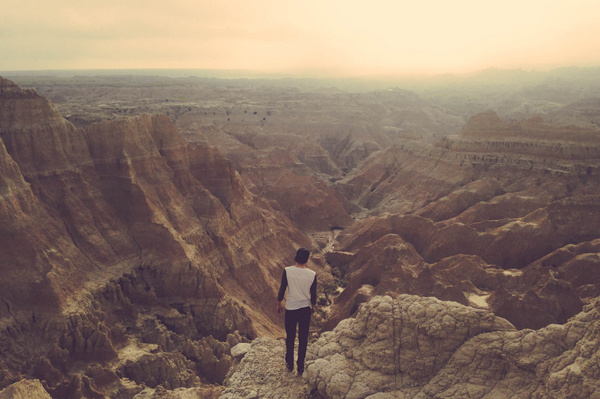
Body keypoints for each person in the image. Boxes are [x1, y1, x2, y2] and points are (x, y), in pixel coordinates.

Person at [277, 247, 317, 375]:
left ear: (296, 257)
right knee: (303, 338)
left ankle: (289, 363)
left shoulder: (287, 271)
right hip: (305, 309)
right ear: (307, 259)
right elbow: (314, 294)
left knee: (290, 336)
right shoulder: (312, 274)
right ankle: (300, 366)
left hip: (291, 309)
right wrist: (313, 306)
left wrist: (279, 304)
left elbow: (282, 289)